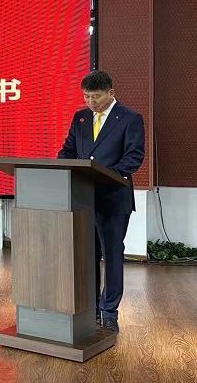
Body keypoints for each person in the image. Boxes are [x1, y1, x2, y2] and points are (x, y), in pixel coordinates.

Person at [57, 70, 145, 333]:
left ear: (111, 93)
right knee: (88, 256)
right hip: (83, 199)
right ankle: (92, 308)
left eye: (95, 97)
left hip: (113, 199)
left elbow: (134, 156)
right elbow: (69, 150)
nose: (90, 102)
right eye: (86, 97)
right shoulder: (81, 117)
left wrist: (107, 176)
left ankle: (110, 312)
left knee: (113, 256)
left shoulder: (130, 118)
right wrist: (60, 169)